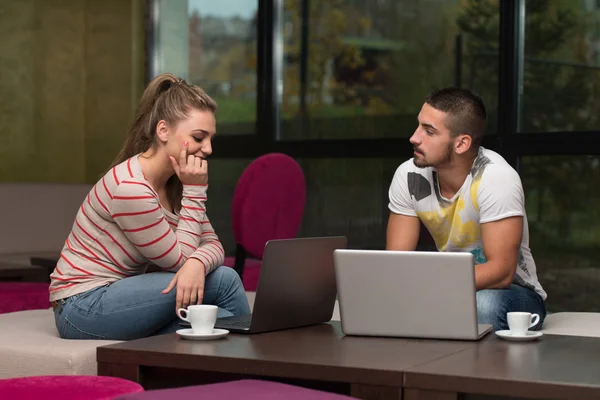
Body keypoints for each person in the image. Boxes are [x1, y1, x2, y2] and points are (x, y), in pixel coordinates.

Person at [49, 73, 250, 340]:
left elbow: (213, 244)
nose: (209, 149)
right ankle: (264, 365)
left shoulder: (174, 184)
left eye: (212, 139)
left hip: (122, 297)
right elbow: (179, 262)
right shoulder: (132, 188)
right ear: (163, 130)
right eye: (199, 137)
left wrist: (197, 263)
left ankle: (254, 367)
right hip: (82, 306)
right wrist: (196, 191)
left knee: (222, 322)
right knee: (225, 280)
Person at [386, 87, 546, 332]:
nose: (414, 137)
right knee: (380, 300)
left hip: (513, 293)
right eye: (419, 126)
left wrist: (430, 287)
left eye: (429, 131)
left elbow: (501, 272)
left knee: (484, 304)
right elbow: (396, 263)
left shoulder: (496, 178)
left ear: (461, 143)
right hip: (450, 288)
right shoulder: (409, 175)